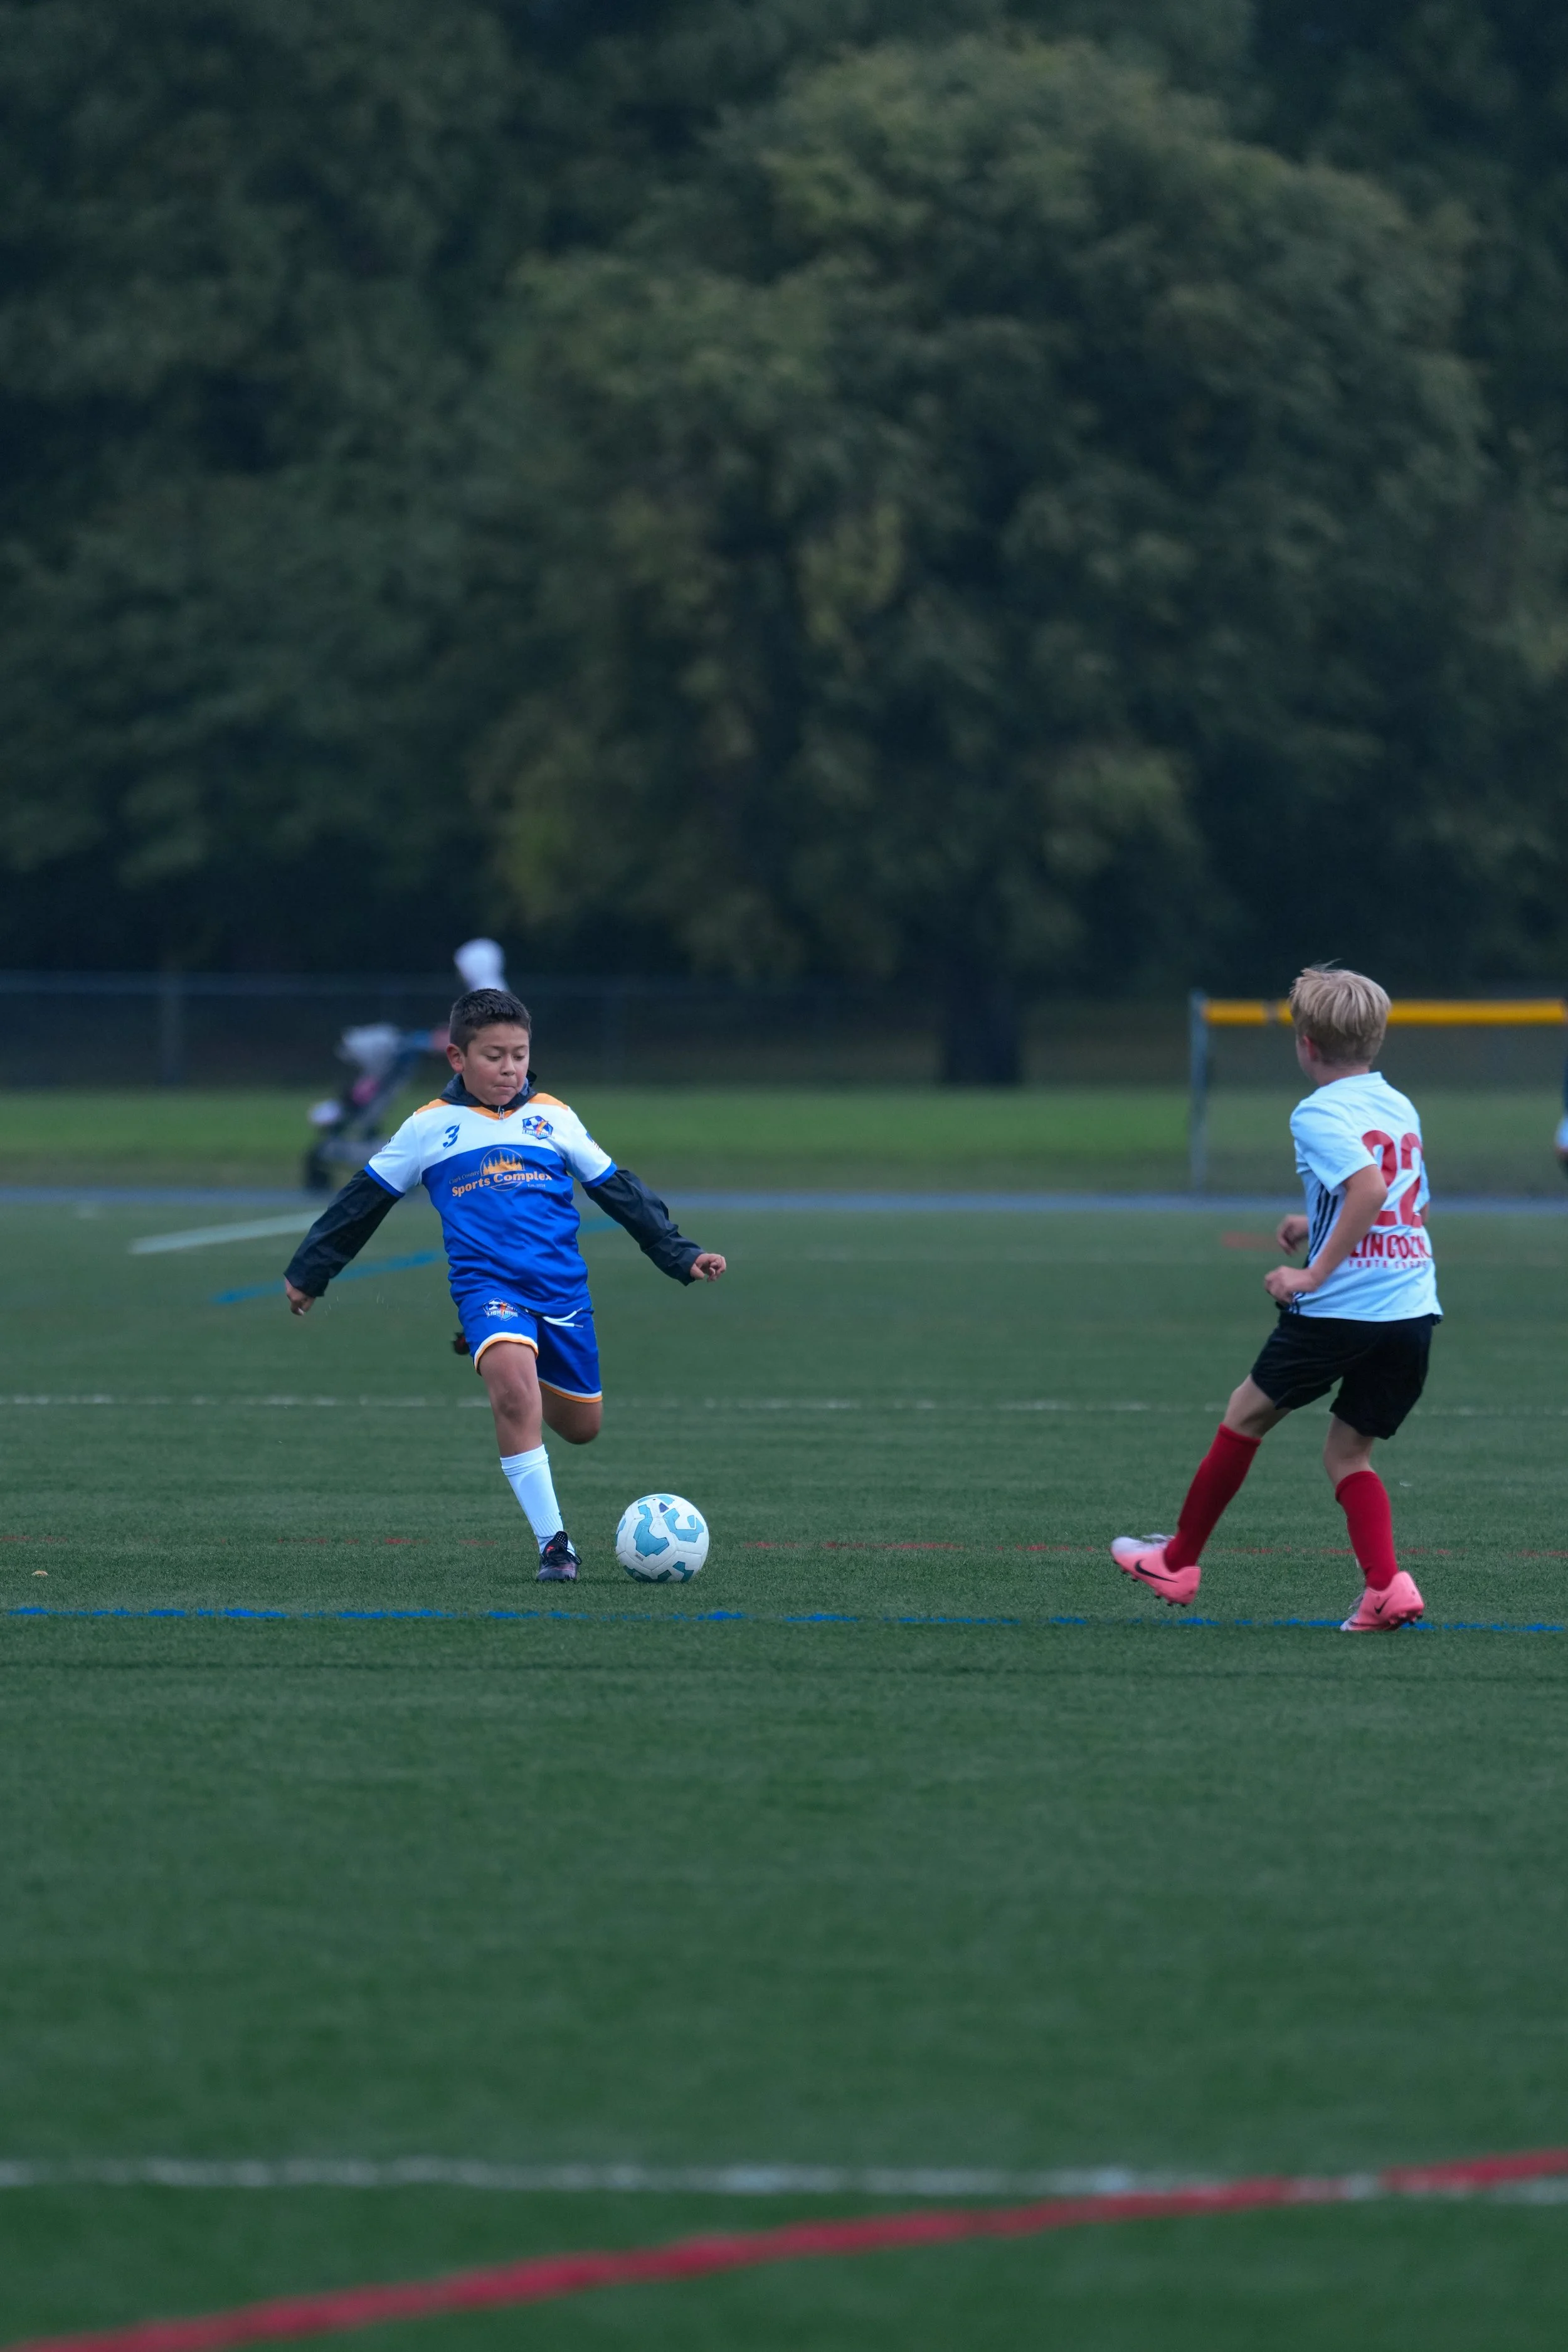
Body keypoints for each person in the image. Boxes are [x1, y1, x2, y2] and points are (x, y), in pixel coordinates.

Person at [282, 985, 726, 1582]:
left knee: (582, 1427)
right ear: (457, 1058)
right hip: (486, 1286)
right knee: (515, 1397)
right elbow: (360, 1203)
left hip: (562, 1295)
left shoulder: (555, 1117)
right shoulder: (428, 1129)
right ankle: (555, 1547)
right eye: (494, 1056)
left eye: (519, 1054)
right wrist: (311, 1271)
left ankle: (514, 1348)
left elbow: (620, 1192)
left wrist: (683, 1255)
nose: (510, 1067)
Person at [1111, 966, 1438, 1632]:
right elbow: (1389, 1196)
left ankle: (1176, 1563)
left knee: (1244, 1415)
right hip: (1411, 1311)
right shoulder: (1396, 1103)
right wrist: (1313, 1221)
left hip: (1343, 1309)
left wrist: (1312, 1273)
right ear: (1375, 1041)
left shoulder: (1316, 1110)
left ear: (1305, 1045)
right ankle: (1386, 1588)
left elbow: (1369, 1190)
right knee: (1348, 1453)